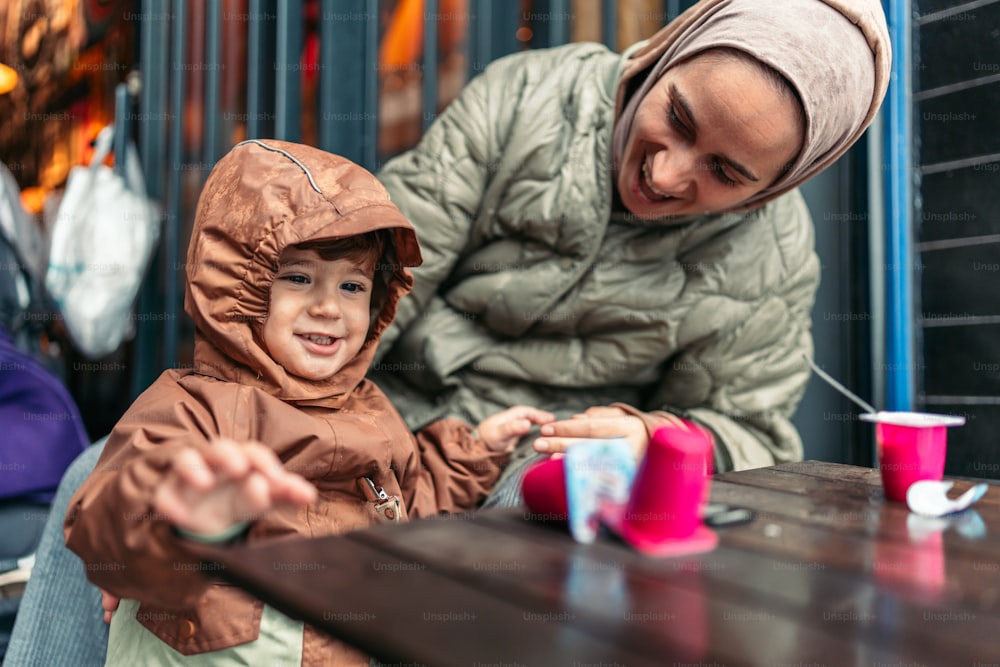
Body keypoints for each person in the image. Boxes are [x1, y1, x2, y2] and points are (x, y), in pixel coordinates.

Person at [368, 0, 891, 504]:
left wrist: (654, 439)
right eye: (679, 118)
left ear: (773, 187)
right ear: (668, 56)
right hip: (386, 404)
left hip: (549, 465)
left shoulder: (773, 252)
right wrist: (311, 407)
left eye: (726, 173)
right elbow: (377, 277)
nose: (665, 175)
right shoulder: (530, 95)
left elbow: (754, 437)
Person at [60, 139, 553, 666]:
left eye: (352, 286)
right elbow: (104, 519)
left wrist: (473, 453)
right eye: (298, 279)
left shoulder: (369, 410)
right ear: (239, 289)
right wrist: (177, 510)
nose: (327, 308)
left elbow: (409, 505)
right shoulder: (192, 407)